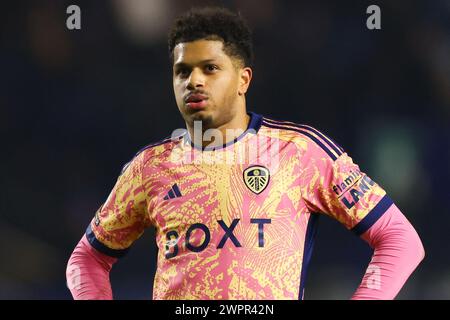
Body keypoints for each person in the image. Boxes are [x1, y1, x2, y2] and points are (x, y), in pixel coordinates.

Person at [66, 6, 424, 300]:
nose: (194, 81)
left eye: (210, 68)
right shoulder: (150, 167)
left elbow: (400, 239)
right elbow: (87, 259)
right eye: (182, 71)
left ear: (244, 80)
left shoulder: (299, 151)